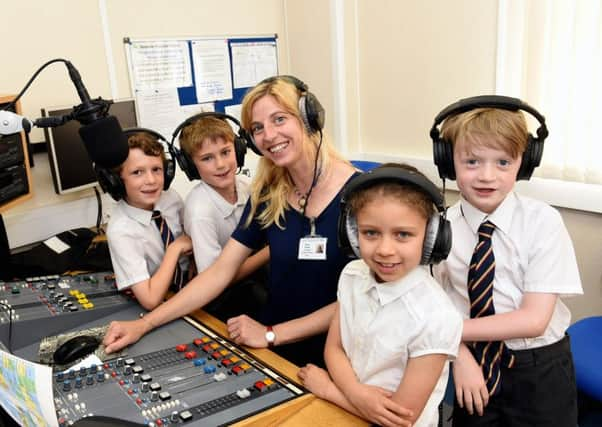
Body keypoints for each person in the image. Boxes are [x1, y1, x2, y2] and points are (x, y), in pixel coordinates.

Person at [103, 75, 358, 367]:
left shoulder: (360, 195)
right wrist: (144, 324)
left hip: (337, 355)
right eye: (258, 128)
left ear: (309, 117)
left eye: (279, 119)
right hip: (277, 351)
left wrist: (274, 334)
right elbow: (218, 273)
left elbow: (362, 299)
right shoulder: (268, 193)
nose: (269, 136)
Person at [430, 97, 583, 426]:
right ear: (447, 162)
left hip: (538, 368)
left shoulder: (543, 222)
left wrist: (448, 335)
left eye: (503, 162)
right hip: (473, 361)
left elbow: (533, 320)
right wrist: (459, 354)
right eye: (471, 161)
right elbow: (434, 305)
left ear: (523, 164)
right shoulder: (440, 229)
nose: (487, 176)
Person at [298, 163, 462, 427]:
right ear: (351, 232)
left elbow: (399, 418)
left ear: (432, 237)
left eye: (403, 235)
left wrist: (329, 389)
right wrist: (357, 393)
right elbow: (334, 348)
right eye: (371, 233)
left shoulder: (438, 317)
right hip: (344, 414)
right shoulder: (352, 274)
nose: (385, 249)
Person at [178, 114, 269, 320]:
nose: (221, 164)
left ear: (238, 150)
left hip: (252, 277)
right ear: (191, 167)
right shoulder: (200, 211)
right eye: (207, 158)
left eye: (226, 152)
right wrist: (268, 253)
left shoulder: (245, 187)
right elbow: (215, 280)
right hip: (225, 296)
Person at [105, 131, 192, 310]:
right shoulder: (120, 230)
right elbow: (150, 300)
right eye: (137, 172)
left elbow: (191, 239)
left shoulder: (171, 199)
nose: (151, 180)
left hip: (193, 286)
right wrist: (174, 250)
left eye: (156, 170)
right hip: (162, 296)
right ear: (117, 181)